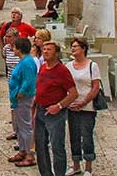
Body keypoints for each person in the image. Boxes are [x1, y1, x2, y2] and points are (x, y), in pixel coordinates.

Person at [33, 41, 78, 176]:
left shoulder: (62, 71)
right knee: (40, 146)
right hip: (40, 110)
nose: (45, 51)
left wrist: (59, 106)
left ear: (57, 53)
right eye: (44, 49)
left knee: (57, 147)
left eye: (49, 50)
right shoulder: (42, 67)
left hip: (54, 114)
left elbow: (73, 93)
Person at [67, 37, 101, 176]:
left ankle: (88, 167)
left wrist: (84, 102)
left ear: (83, 49)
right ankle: (75, 165)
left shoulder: (92, 66)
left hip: (87, 107)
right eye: (72, 46)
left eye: (76, 46)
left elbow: (95, 87)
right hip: (72, 105)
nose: (73, 48)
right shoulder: (68, 66)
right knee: (73, 135)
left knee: (87, 135)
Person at [7, 37, 37, 168]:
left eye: (14, 47)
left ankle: (29, 154)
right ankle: (22, 150)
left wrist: (21, 92)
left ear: (18, 49)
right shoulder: (23, 61)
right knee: (19, 126)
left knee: (25, 125)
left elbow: (29, 80)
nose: (12, 49)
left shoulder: (27, 62)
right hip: (17, 98)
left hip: (23, 98)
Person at [1, 27, 20, 142]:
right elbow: (5, 61)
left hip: (20, 80)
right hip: (11, 80)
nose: (6, 39)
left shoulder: (20, 49)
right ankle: (15, 130)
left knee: (21, 107)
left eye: (9, 37)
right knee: (13, 106)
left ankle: (21, 131)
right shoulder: (6, 49)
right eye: (6, 37)